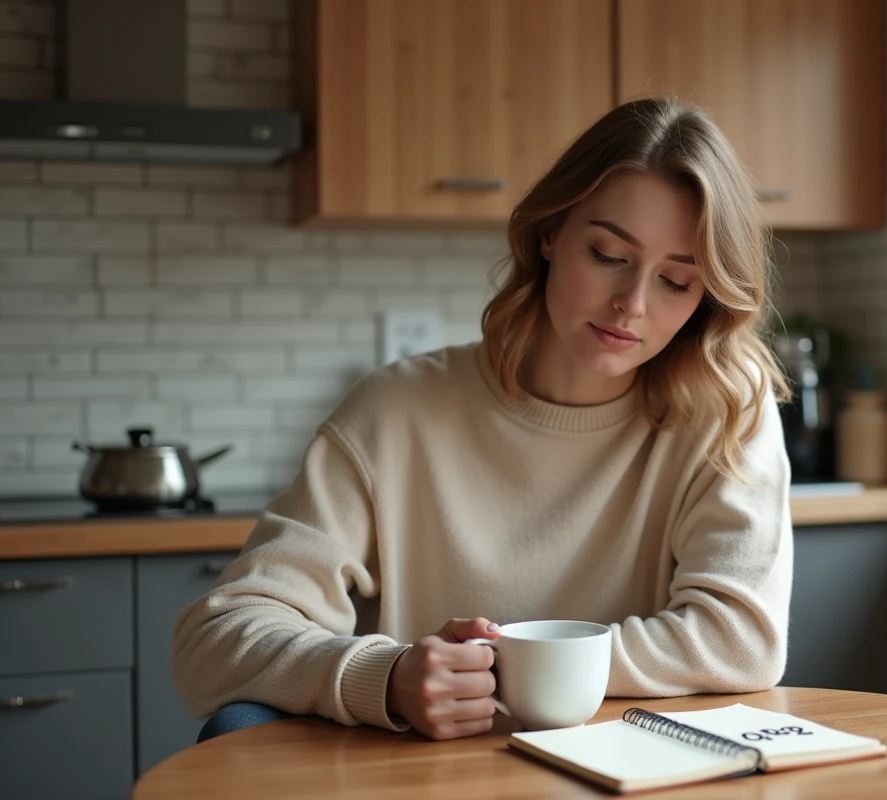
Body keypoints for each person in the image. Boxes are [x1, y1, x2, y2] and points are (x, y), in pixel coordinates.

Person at [172, 97, 795, 744]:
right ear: (551, 232)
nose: (632, 304)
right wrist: (385, 676)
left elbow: (741, 641)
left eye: (676, 282)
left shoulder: (725, 411)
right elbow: (211, 643)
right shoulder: (396, 413)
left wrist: (510, 668)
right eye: (609, 254)